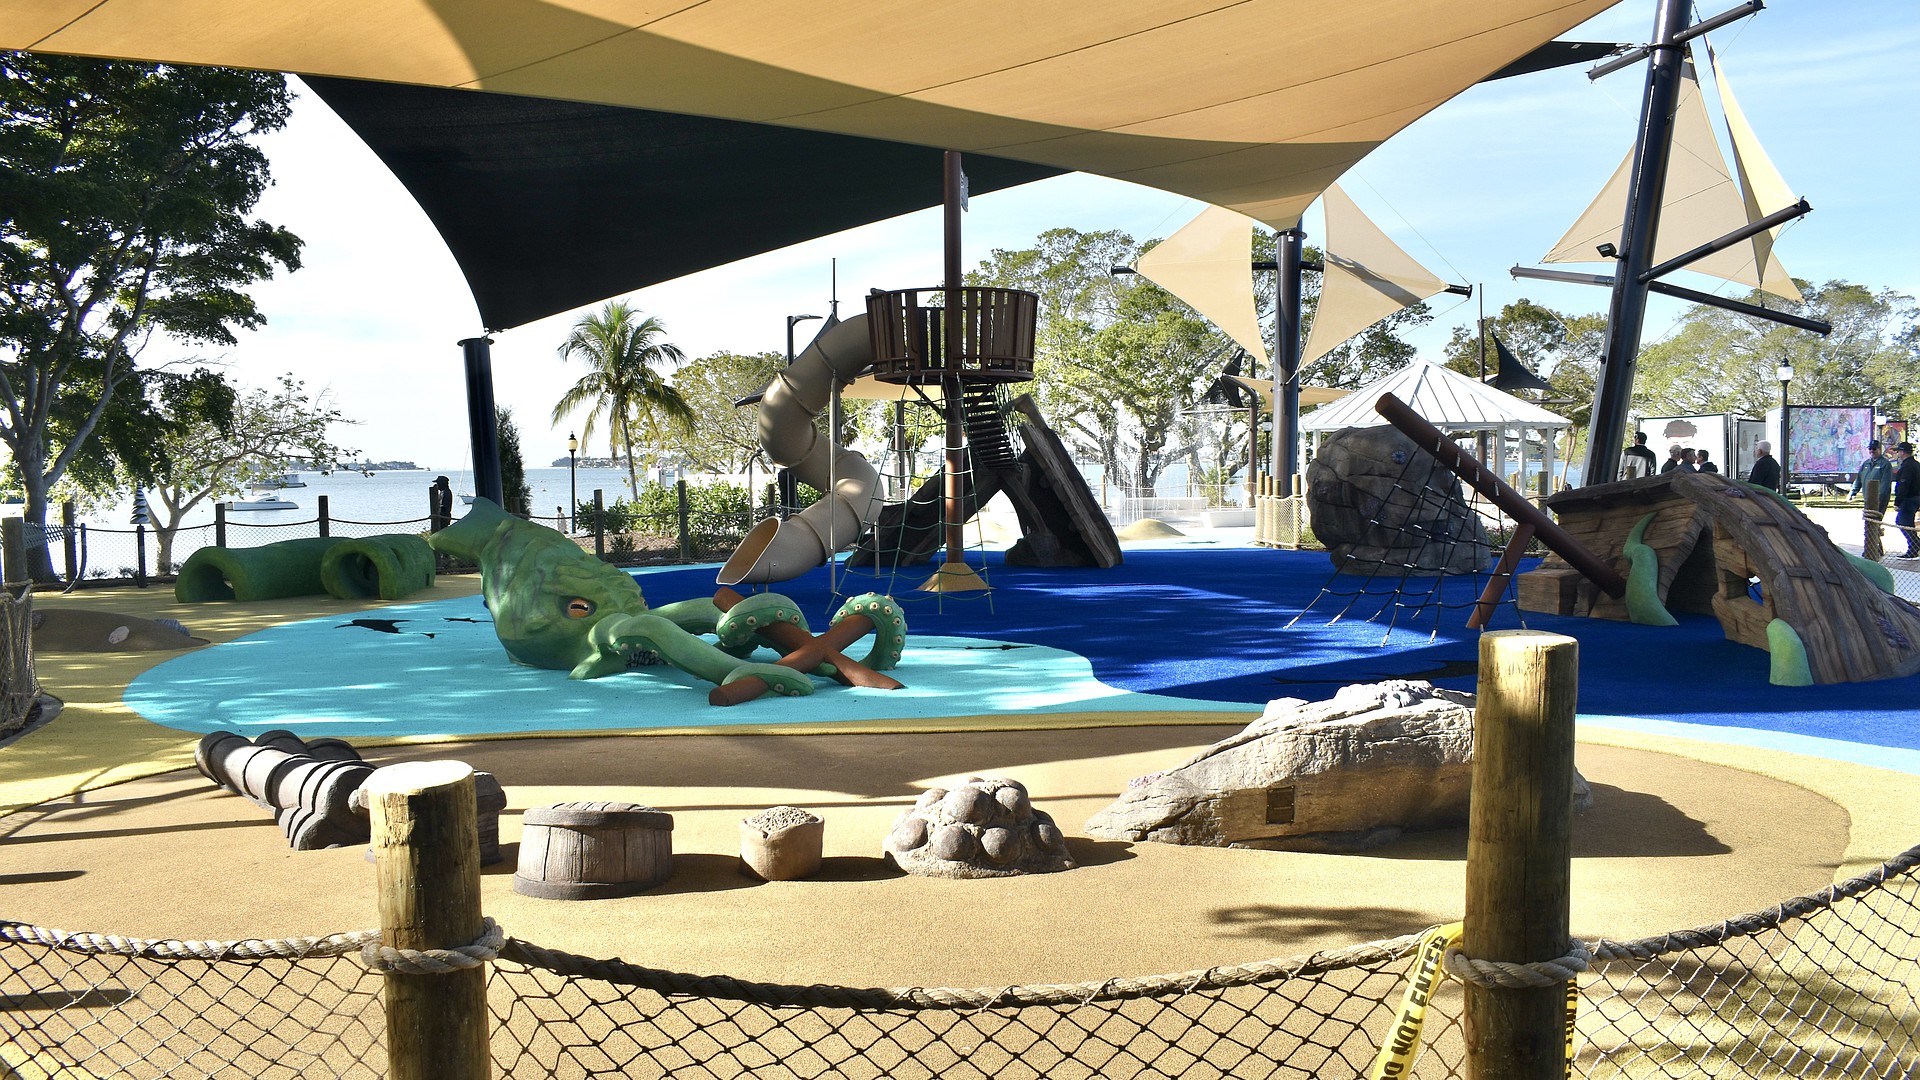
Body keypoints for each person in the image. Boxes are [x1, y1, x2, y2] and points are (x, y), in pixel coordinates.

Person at [1892, 443, 1920, 559]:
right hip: (1916, 498)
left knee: (1903, 522)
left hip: (1909, 499)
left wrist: (1897, 502)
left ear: (1902, 452)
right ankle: (1915, 545)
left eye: (1898, 451)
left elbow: (1904, 484)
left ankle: (1914, 547)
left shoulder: (1907, 466)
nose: (1897, 454)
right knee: (1906, 523)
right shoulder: (1917, 465)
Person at [1852, 440, 1893, 514]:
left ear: (1879, 450)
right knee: (1868, 521)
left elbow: (1885, 485)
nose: (1872, 451)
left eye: (1874, 449)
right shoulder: (1866, 464)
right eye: (1870, 449)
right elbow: (1858, 479)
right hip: (1867, 499)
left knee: (1875, 521)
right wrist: (1853, 492)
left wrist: (1877, 499)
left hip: (1879, 500)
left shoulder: (1885, 464)